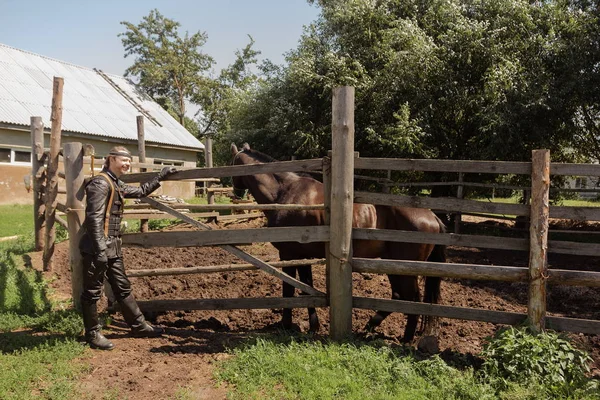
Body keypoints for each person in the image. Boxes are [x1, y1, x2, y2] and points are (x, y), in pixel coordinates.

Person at [79, 146, 177, 350]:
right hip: (97, 248)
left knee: (122, 287)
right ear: (111, 159)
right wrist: (99, 251)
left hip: (111, 246)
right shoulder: (100, 183)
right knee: (92, 291)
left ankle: (139, 326)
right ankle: (92, 334)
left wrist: (160, 176)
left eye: (129, 161)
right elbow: (94, 220)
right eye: (123, 160)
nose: (127, 164)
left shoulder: (115, 182)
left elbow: (141, 191)